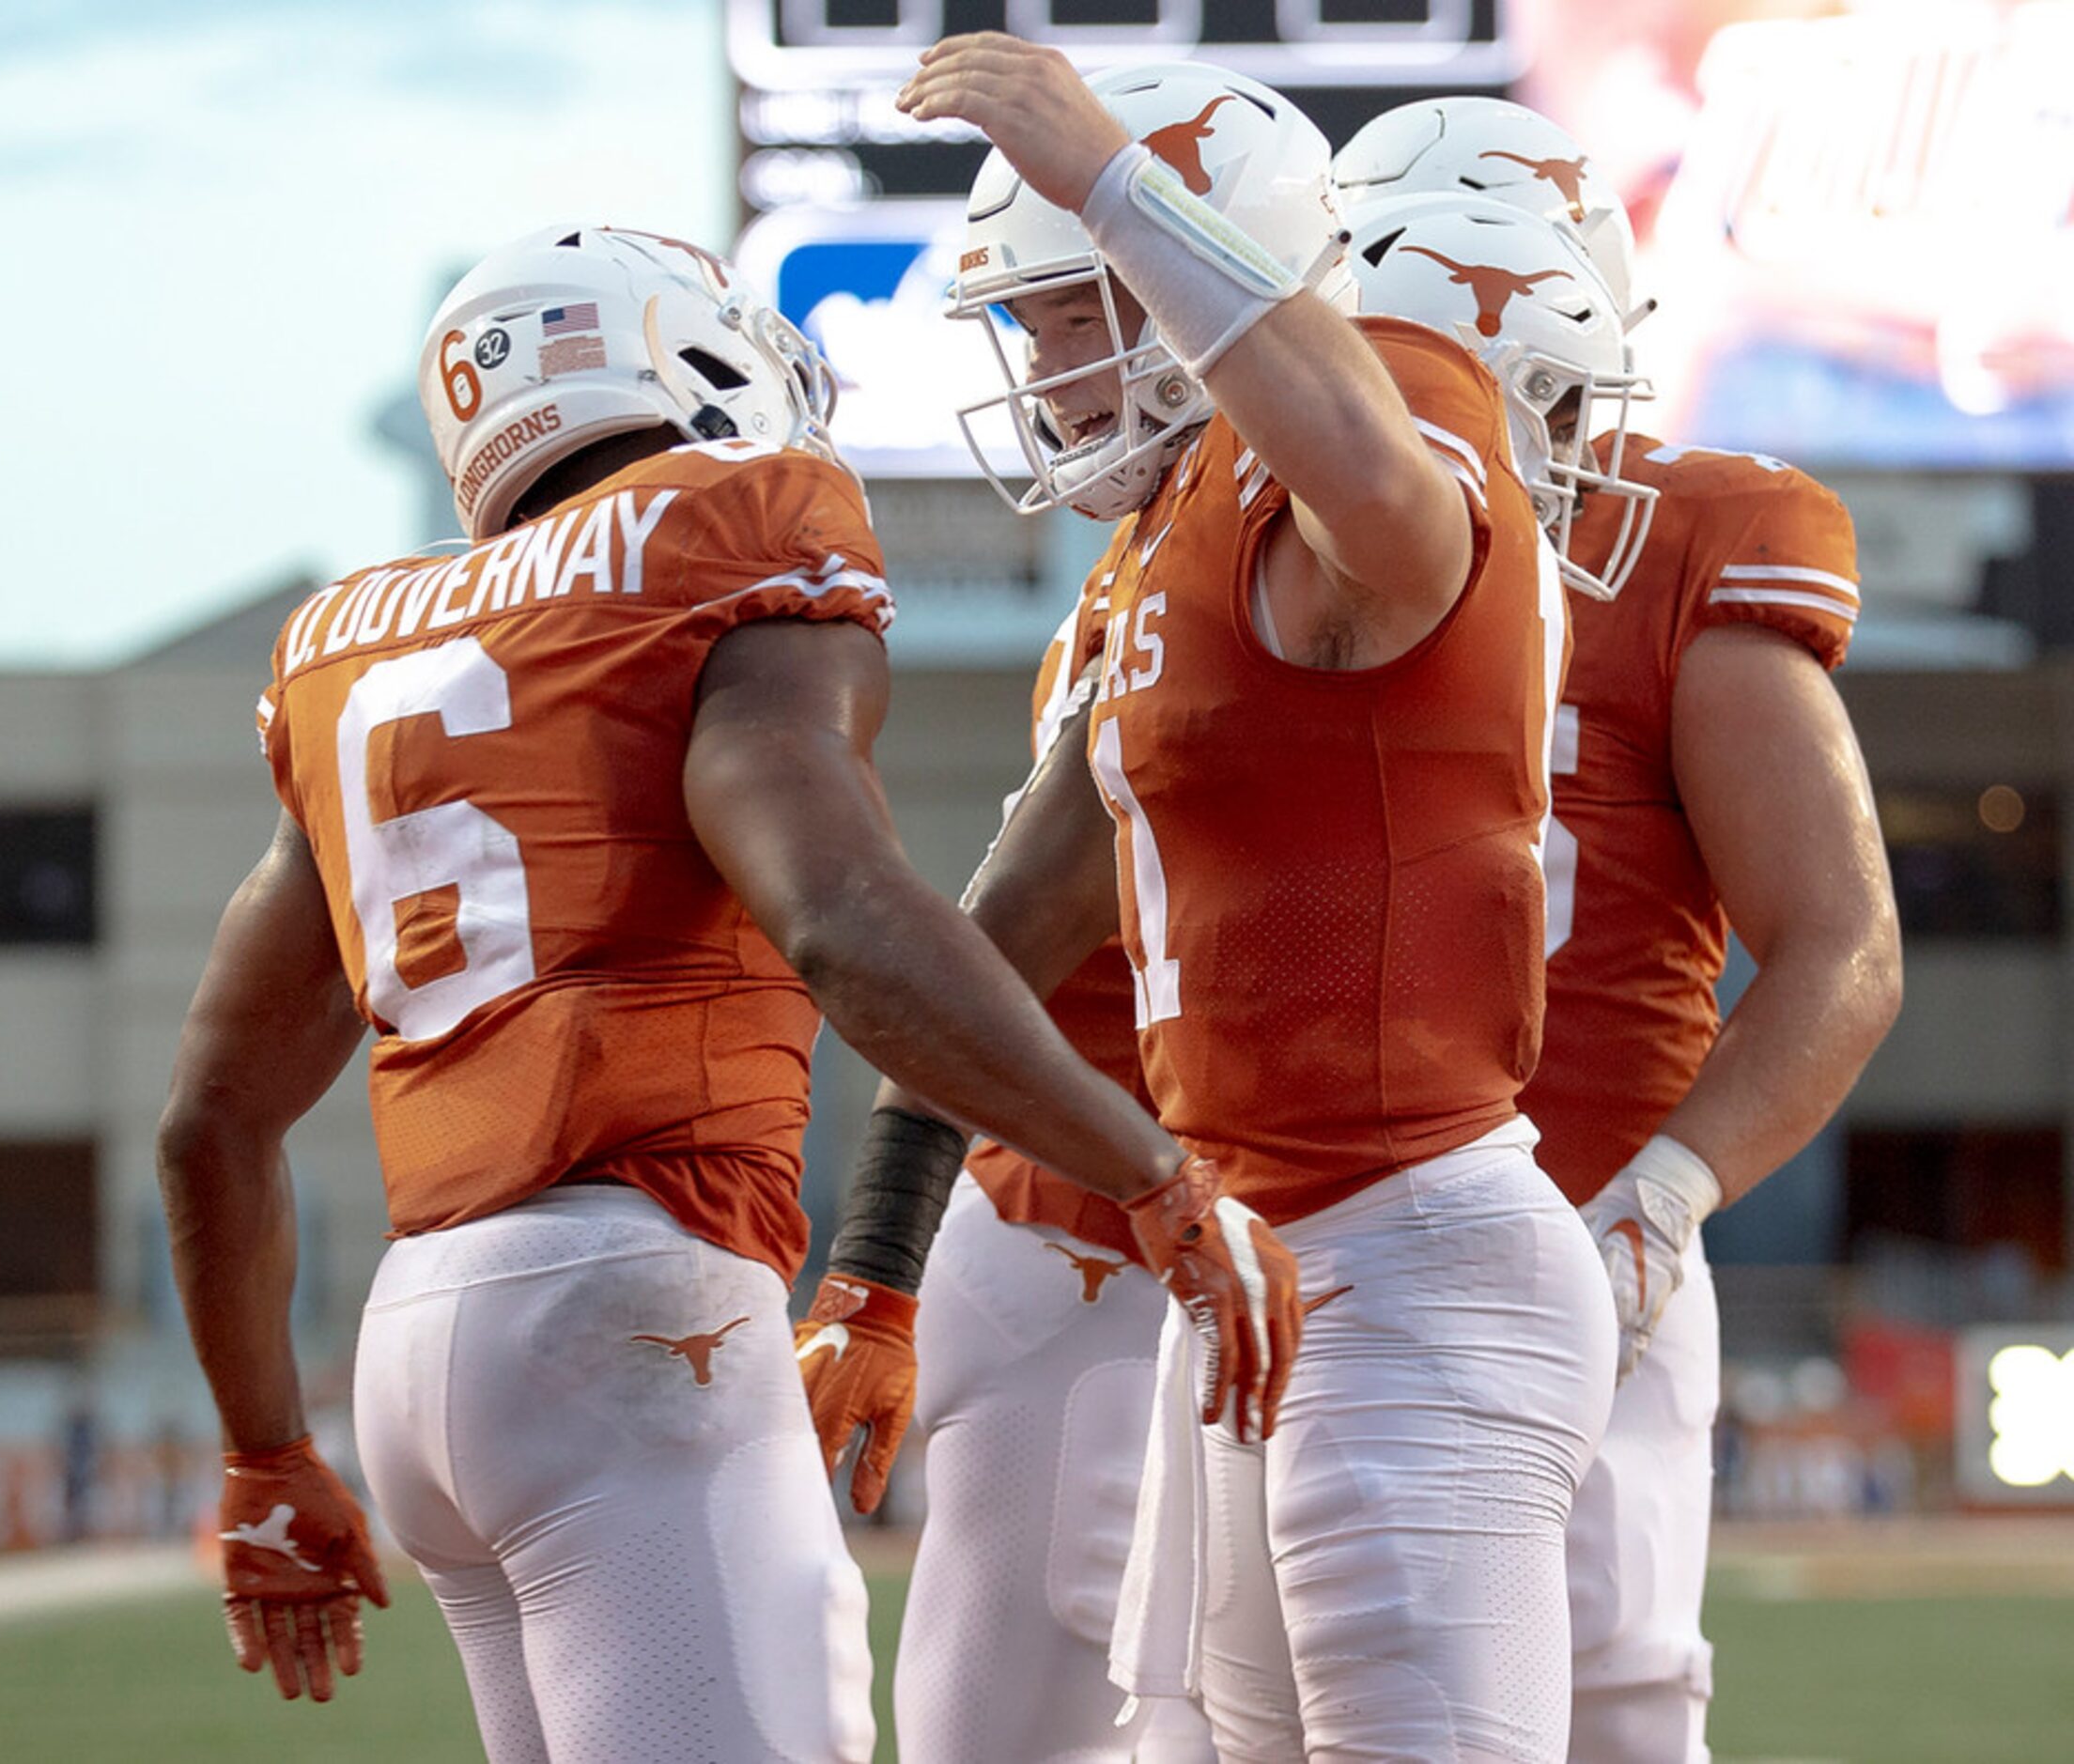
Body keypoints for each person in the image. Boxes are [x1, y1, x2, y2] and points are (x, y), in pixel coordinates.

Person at [155, 221, 1299, 1762]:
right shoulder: (727, 525)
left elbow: (210, 1121)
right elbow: (839, 919)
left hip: (420, 1349)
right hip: (627, 1307)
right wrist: (1143, 1166)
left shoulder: (351, 645)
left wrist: (262, 1448)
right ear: (679, 355)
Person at [802, 40, 1618, 1762]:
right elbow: (1007, 920)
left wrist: (1111, 176)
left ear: (1165, 276)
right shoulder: (1173, 533)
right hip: (1247, 1258)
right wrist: (876, 1261)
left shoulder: (1395, 392)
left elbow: (1389, 502)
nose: (1034, 364)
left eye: (1055, 312)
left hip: (1413, 1250)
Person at [1336, 102, 1905, 1763]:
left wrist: (1667, 1194)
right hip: (1298, 1224)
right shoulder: (1234, 532)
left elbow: (1842, 943)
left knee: (1610, 1709)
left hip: (1585, 1229)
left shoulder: (1687, 543)